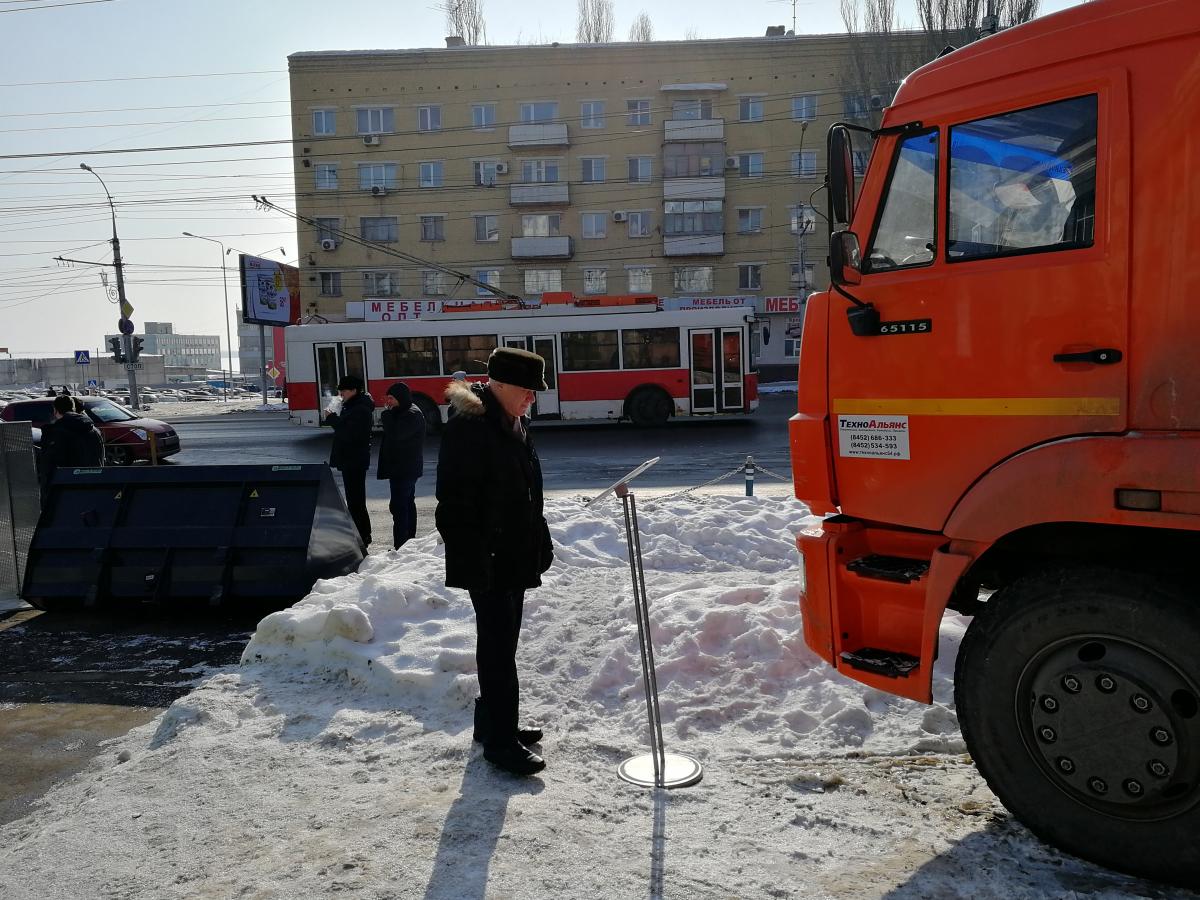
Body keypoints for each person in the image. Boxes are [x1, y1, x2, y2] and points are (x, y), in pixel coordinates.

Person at [436, 347, 554, 777]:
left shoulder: (513, 421)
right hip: (488, 560)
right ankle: (501, 744)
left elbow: (526, 493)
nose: (532, 399)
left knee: (503, 645)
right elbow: (453, 505)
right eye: (526, 391)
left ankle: (493, 725)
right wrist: (477, 559)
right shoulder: (471, 427)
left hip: (513, 554)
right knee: (499, 649)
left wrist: (539, 541)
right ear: (499, 385)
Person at [325, 374, 375, 547]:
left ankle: (362, 536)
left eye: (344, 390)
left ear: (354, 390)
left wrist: (332, 419)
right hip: (351, 460)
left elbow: (349, 434)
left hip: (354, 460)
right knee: (354, 500)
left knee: (356, 501)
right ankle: (361, 534)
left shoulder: (360, 409)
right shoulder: (353, 405)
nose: (341, 394)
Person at [376, 381, 425, 549]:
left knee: (399, 506)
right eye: (387, 398)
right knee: (405, 504)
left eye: (391, 398)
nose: (388, 402)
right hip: (401, 468)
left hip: (405, 469)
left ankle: (401, 544)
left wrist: (386, 415)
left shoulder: (412, 414)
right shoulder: (402, 411)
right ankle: (407, 541)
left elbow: (397, 434)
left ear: (400, 398)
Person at [40, 394, 104, 492]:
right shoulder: (93, 429)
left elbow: (50, 464)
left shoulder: (57, 432)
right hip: (96, 483)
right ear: (73, 409)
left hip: (67, 488)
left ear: (55, 410)